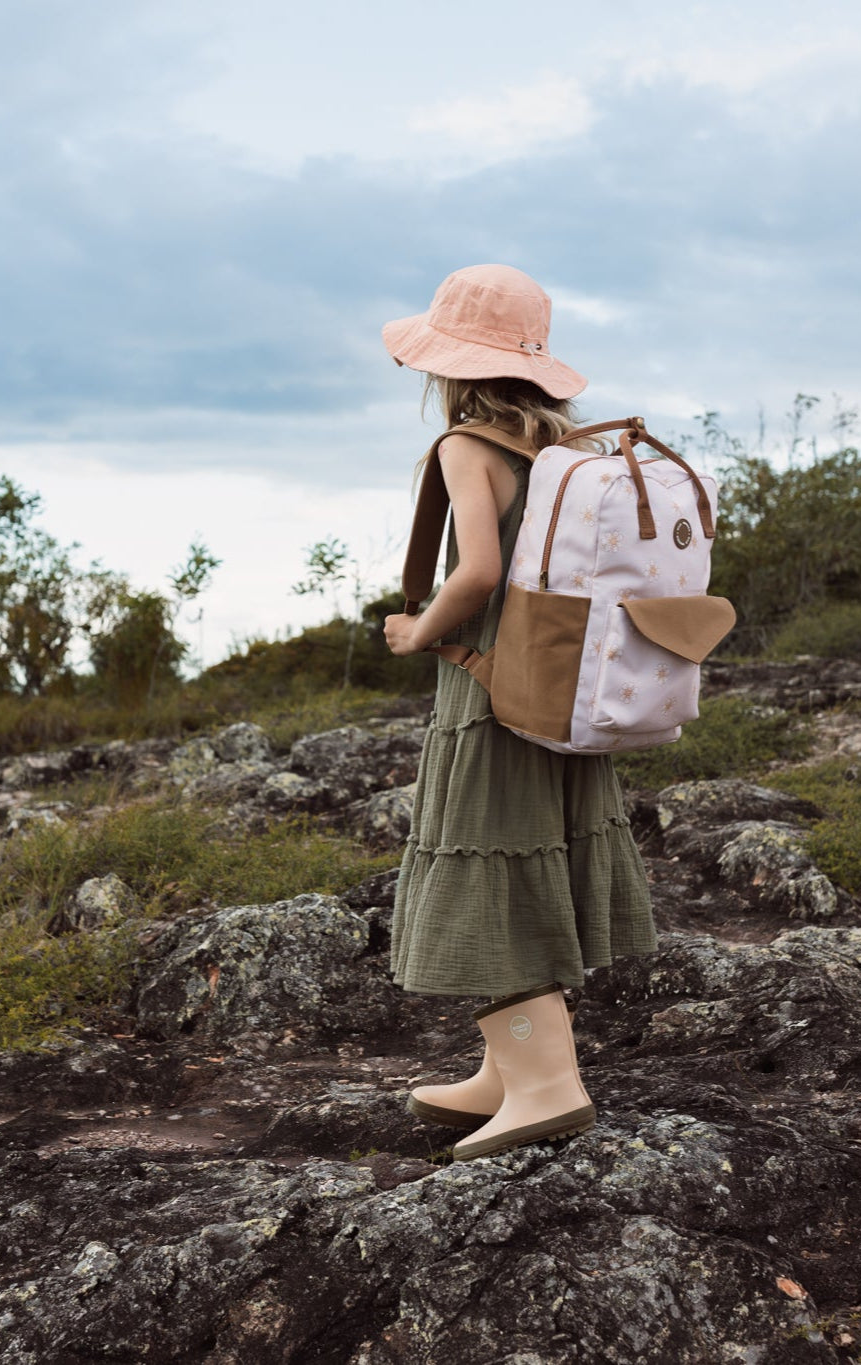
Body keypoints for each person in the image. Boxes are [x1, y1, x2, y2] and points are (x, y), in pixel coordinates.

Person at [380, 264, 659, 1162]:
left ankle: (545, 1082)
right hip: (558, 688)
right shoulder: (563, 455)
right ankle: (506, 1067)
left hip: (494, 691)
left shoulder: (467, 446)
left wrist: (418, 630)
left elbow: (478, 572)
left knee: (483, 868)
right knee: (524, 857)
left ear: (449, 368)